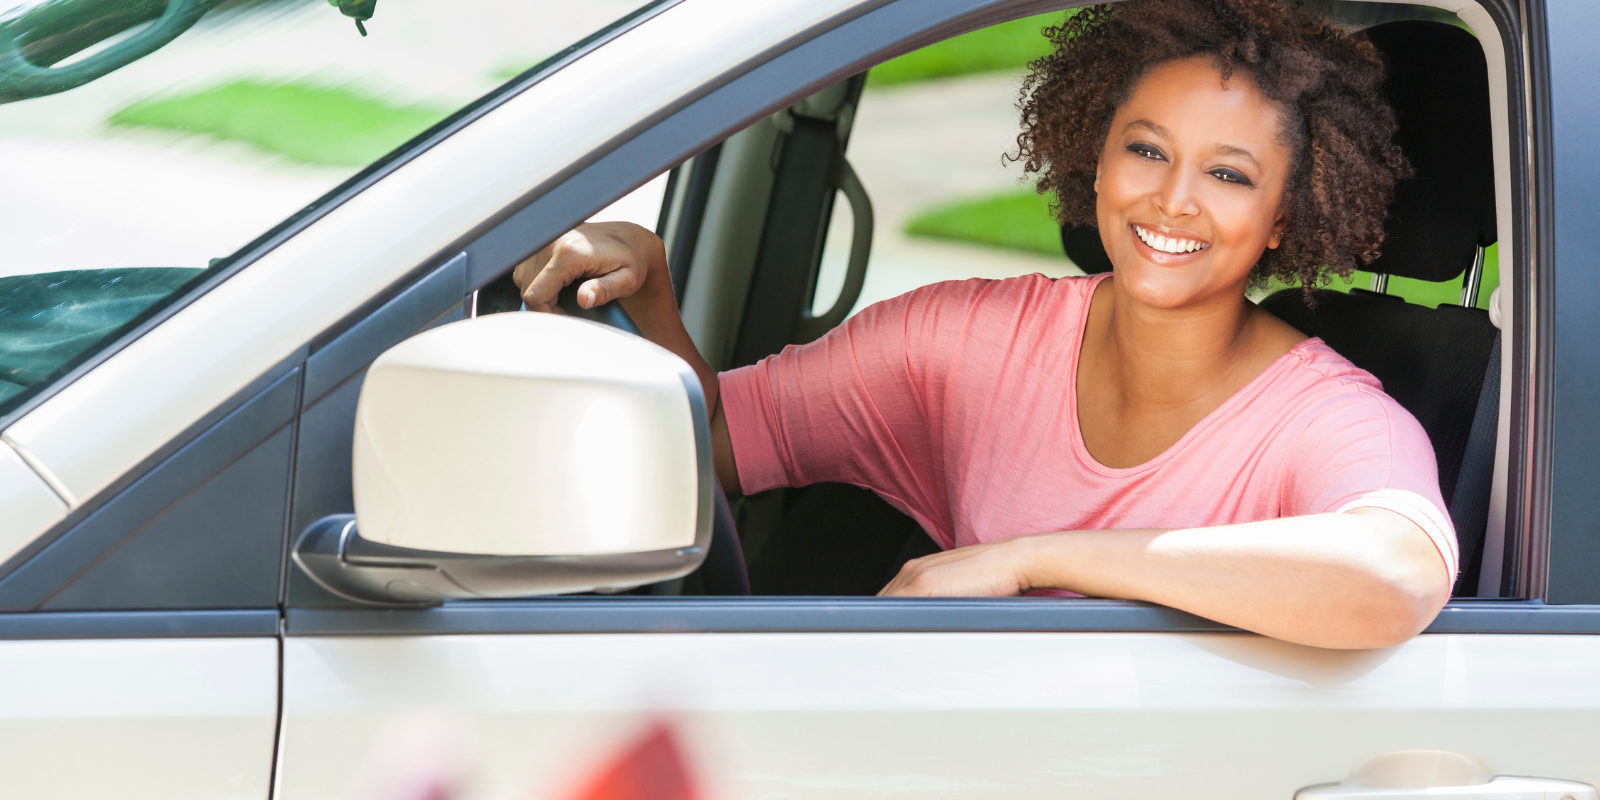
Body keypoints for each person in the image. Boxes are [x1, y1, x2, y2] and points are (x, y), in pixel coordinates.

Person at [514, 0, 1454, 649]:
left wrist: (1030, 560)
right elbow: (715, 442)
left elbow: (1397, 578)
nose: (1173, 201)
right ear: (1095, 164)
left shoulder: (1329, 420)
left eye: (1229, 174)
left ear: (1286, 217)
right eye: (1146, 151)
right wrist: (655, 293)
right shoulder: (967, 345)